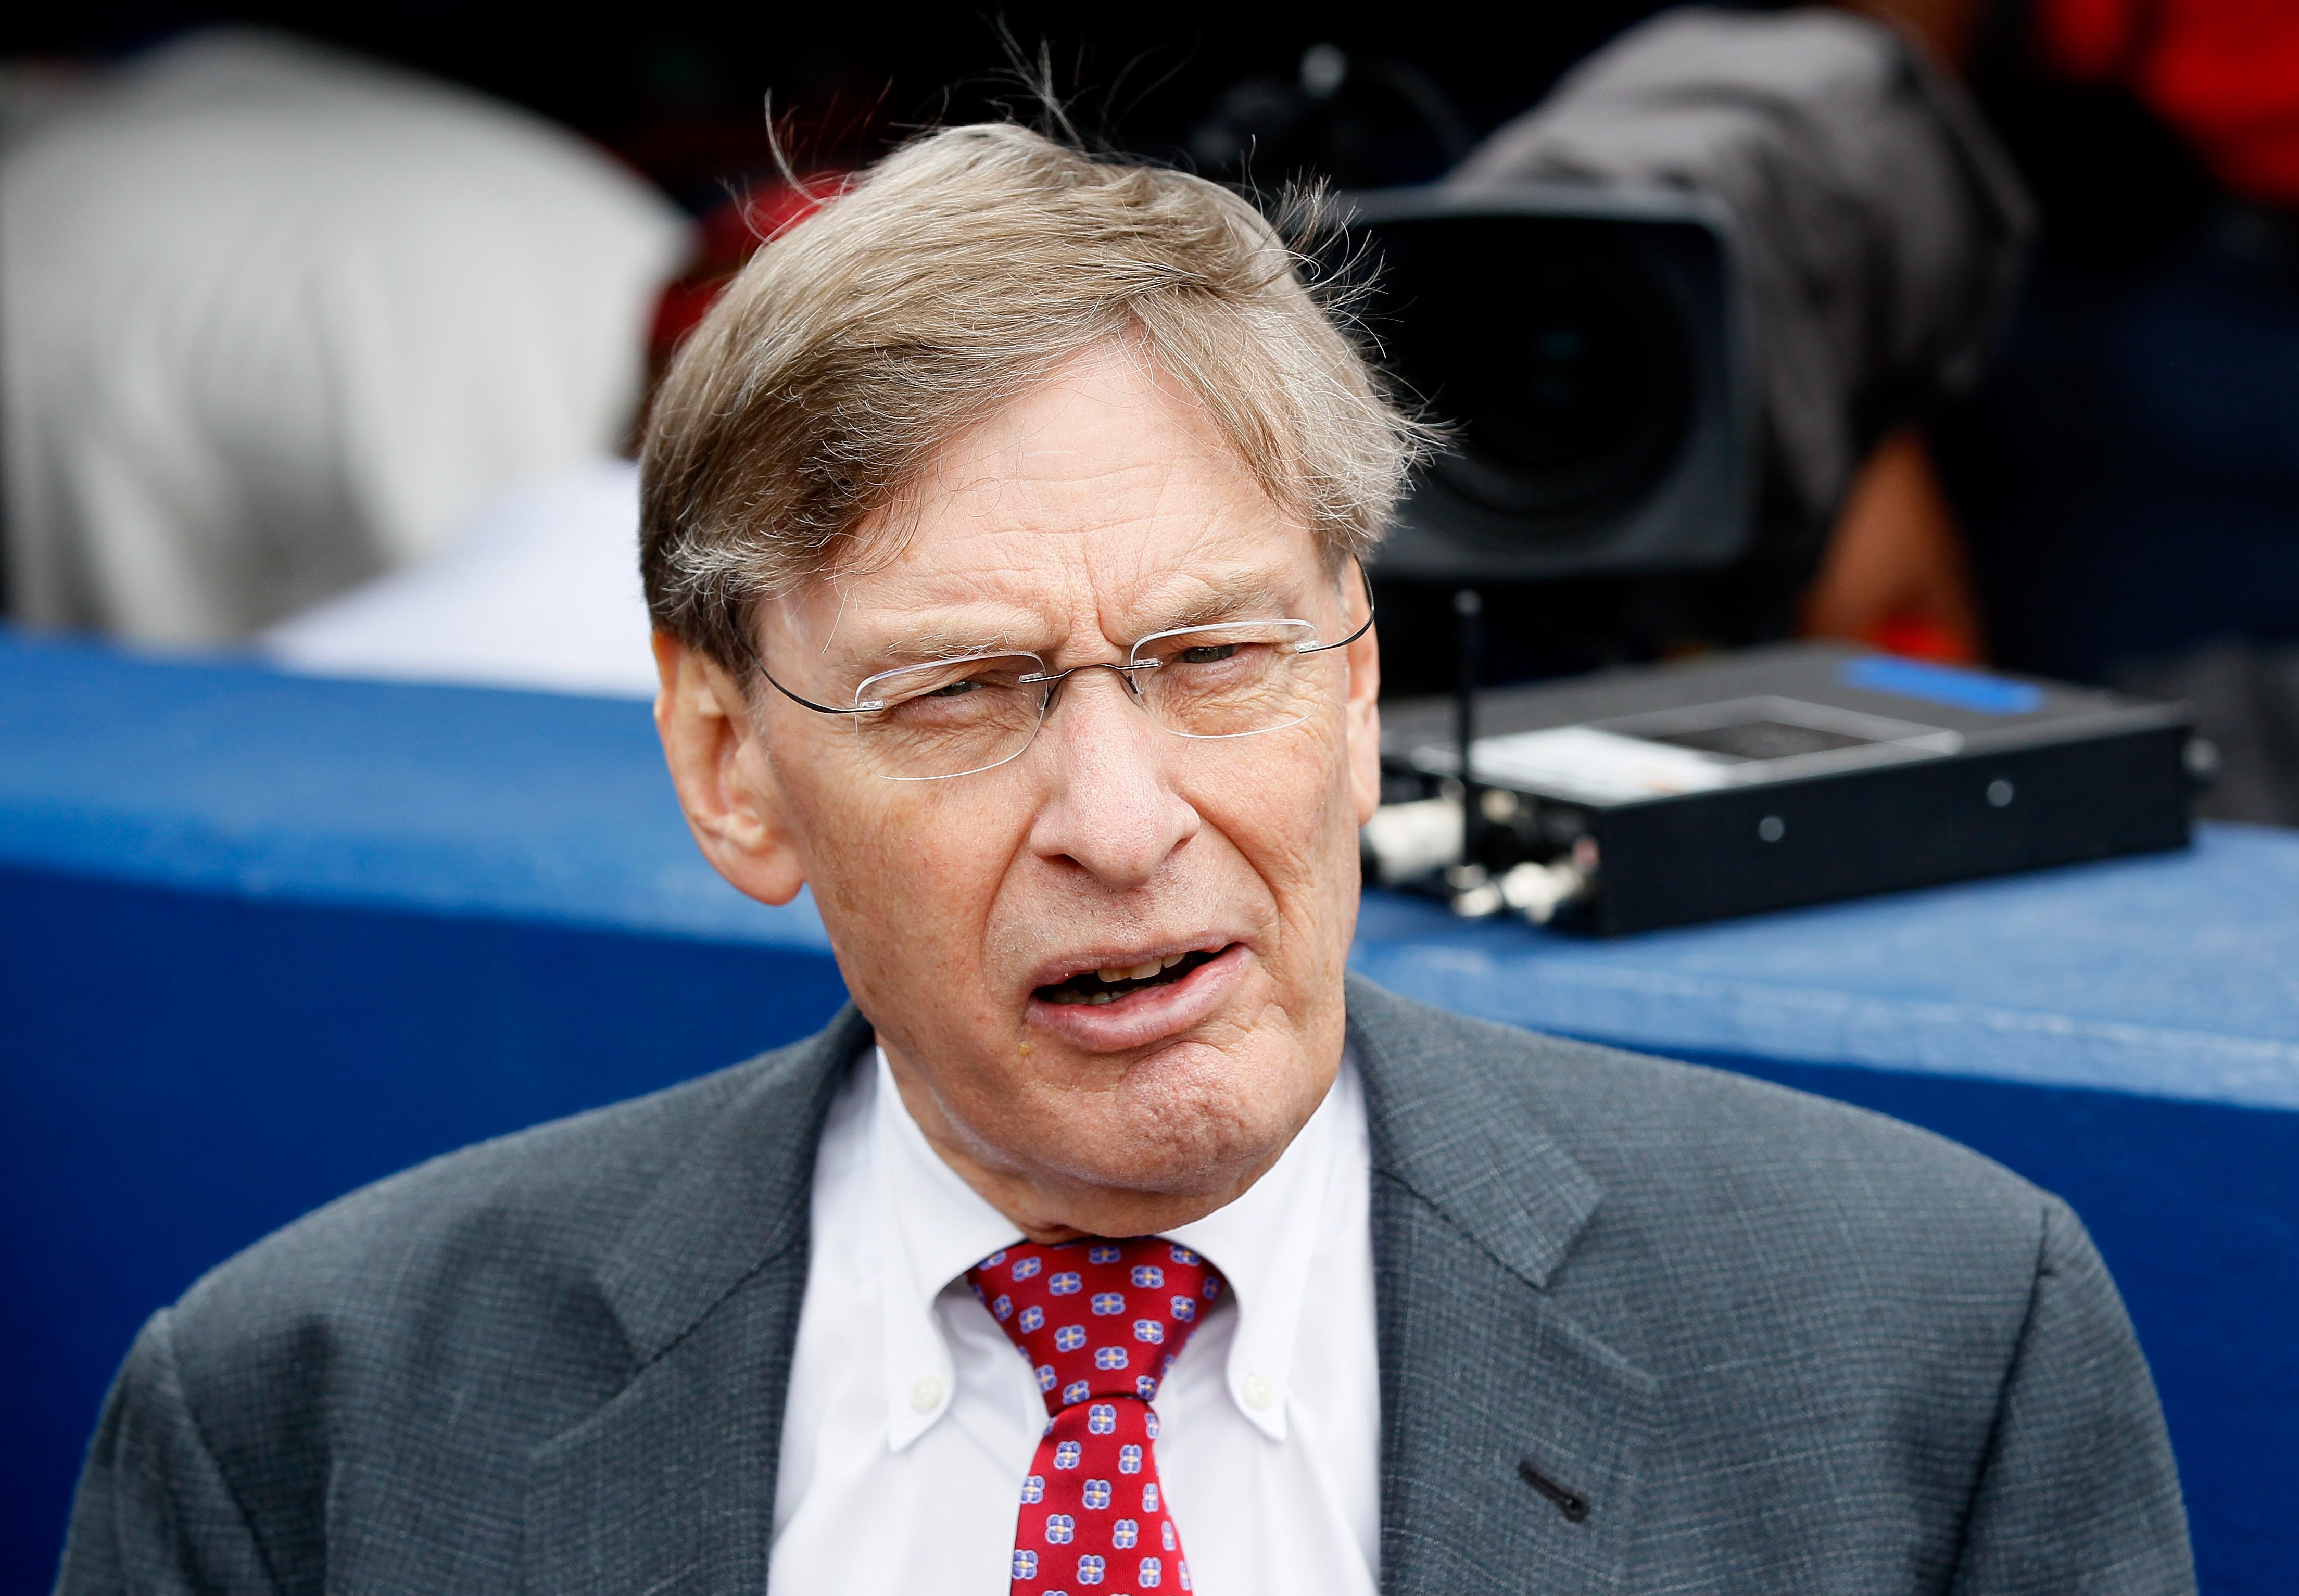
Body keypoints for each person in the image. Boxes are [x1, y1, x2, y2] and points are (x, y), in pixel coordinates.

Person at [56, 123, 2192, 1595]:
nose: (1120, 813)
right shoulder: (305, 1424)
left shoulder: (1929, 1351)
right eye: (962, 690)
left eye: (1210, 654)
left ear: (1360, 678)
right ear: (731, 764)